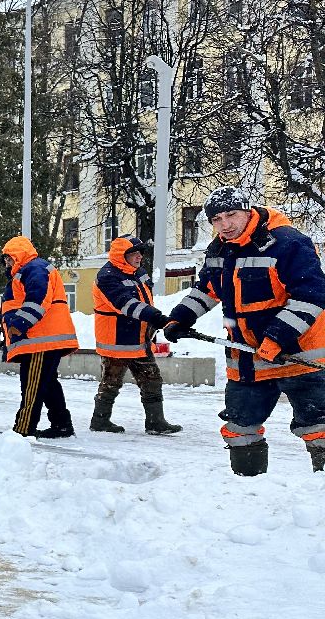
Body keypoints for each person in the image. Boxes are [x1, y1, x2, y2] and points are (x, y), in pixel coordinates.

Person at [163, 186, 325, 476]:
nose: (225, 225)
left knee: (319, 429)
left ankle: (317, 498)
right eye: (216, 219)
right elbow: (208, 289)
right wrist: (181, 318)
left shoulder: (288, 243)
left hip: (299, 357)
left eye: (231, 215)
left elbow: (311, 295)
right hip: (247, 360)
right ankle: (247, 490)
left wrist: (276, 338)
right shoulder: (220, 248)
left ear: (247, 211)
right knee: (238, 429)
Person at [90, 235, 182, 435]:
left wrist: (154, 323)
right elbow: (126, 304)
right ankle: (100, 421)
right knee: (111, 382)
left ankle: (156, 422)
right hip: (117, 340)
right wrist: (157, 317)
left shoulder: (138, 272)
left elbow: (145, 300)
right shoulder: (107, 277)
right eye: (134, 253)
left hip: (139, 339)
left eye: (141, 252)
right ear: (121, 256)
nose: (140, 256)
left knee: (152, 379)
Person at [0, 235, 79, 438]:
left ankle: (23, 428)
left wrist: (19, 324)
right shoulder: (28, 271)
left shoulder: (34, 269)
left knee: (32, 385)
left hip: (41, 339)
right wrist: (7, 330)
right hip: (41, 337)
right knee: (48, 383)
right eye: (6, 259)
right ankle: (61, 424)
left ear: (19, 255)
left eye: (9, 258)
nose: (7, 263)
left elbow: (37, 300)